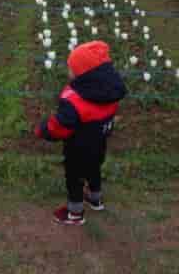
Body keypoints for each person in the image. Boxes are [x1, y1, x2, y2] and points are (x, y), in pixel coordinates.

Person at [35, 41, 127, 225]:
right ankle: (95, 199)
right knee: (94, 169)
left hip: (77, 148)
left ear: (84, 74)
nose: (69, 71)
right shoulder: (111, 93)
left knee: (74, 177)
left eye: (72, 69)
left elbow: (60, 125)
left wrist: (43, 130)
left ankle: (74, 213)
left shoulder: (75, 100)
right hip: (99, 141)